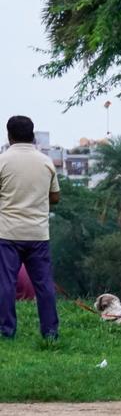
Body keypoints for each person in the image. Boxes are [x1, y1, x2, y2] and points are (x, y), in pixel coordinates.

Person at [0, 116, 60, 340]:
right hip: (38, 233)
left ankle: (6, 331)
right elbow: (55, 197)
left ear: (9, 136)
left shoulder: (3, 161)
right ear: (32, 135)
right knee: (44, 285)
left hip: (7, 233)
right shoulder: (45, 162)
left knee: (6, 284)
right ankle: (50, 332)